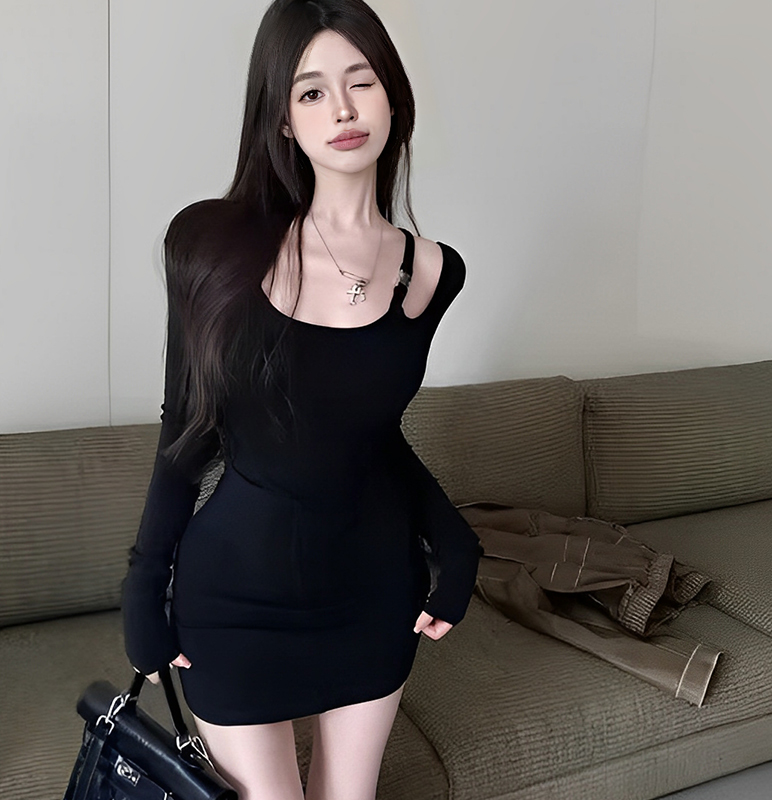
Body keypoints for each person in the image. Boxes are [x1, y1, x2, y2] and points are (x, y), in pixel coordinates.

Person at [120, 1, 484, 798]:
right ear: (282, 118)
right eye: (312, 91)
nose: (343, 110)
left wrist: (455, 541)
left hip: (372, 591)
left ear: (393, 96)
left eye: (362, 82)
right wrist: (144, 587)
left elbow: (363, 431)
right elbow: (186, 431)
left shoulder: (431, 271)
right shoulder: (210, 246)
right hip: (236, 599)